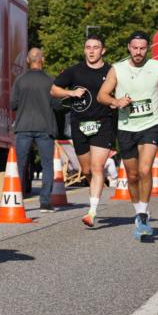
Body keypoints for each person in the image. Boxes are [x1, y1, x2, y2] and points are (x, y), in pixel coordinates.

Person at [97, 31, 158, 239]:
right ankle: (138, 212)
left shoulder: (157, 67)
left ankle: (143, 214)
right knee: (132, 175)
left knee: (144, 169)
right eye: (135, 48)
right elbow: (102, 95)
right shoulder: (118, 69)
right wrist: (116, 102)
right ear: (129, 47)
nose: (139, 52)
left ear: (147, 48)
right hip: (126, 127)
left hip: (151, 124)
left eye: (142, 48)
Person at [50, 35, 117, 227]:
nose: (92, 51)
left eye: (96, 47)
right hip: (79, 125)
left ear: (103, 50)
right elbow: (54, 90)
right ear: (84, 50)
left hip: (103, 123)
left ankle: (92, 211)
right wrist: (70, 92)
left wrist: (116, 102)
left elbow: (121, 90)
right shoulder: (74, 71)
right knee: (87, 170)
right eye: (88, 47)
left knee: (96, 168)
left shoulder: (111, 71)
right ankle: (96, 185)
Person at [11, 47, 57, 212]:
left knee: (21, 165)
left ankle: (17, 200)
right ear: (42, 60)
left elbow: (13, 104)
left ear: (27, 61)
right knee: (47, 165)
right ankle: (45, 202)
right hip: (45, 127)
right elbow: (57, 105)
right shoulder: (50, 81)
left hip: (23, 126)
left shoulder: (20, 80)